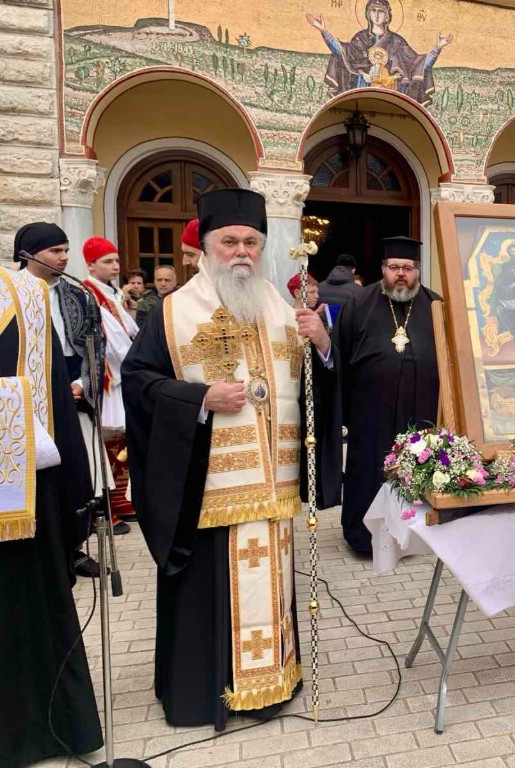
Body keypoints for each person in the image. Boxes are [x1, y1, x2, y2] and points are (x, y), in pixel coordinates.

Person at [122, 188, 343, 729]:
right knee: (206, 593)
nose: (241, 251)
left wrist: (322, 346)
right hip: (207, 488)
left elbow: (313, 389)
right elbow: (139, 382)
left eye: (251, 242)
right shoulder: (174, 312)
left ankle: (270, 685)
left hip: (273, 487)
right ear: (207, 246)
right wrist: (200, 398)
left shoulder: (282, 308)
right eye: (230, 241)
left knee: (273, 590)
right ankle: (202, 693)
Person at [0, 265, 103, 767]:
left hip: (19, 489)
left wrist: (72, 497)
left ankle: (39, 731)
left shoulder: (25, 294)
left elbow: (54, 402)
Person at [16, 223, 122, 563]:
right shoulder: (10, 294)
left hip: (73, 388)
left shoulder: (79, 294)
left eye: (65, 250)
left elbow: (95, 345)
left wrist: (83, 383)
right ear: (28, 254)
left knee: (77, 472)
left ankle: (75, 549)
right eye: (55, 251)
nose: (63, 257)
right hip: (28, 394)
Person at [335, 235, 440, 555]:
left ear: (417, 271)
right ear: (383, 269)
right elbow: (339, 356)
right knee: (369, 472)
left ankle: (415, 538)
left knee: (417, 473)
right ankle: (364, 539)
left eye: (407, 267)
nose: (401, 274)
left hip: (422, 412)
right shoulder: (359, 304)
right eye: (394, 267)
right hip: (370, 413)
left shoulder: (436, 306)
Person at [82, 237, 139, 524]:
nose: (115, 266)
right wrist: (136, 360)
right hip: (108, 375)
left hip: (120, 375)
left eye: (116, 260)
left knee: (123, 435)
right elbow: (111, 338)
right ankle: (108, 502)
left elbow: (129, 328)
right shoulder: (87, 293)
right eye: (107, 261)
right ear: (91, 265)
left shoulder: (111, 292)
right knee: (109, 436)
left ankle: (120, 498)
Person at [306, 0, 453, 103]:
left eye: (381, 11)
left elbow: (418, 65)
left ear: (387, 15)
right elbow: (342, 53)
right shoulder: (360, 38)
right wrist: (324, 31)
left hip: (391, 98)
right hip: (361, 94)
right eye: (373, 11)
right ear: (368, 14)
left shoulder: (397, 42)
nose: (377, 15)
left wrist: (438, 47)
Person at [317, 252, 364, 324]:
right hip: (346, 330)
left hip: (320, 329)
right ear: (353, 270)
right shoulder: (359, 291)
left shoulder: (318, 287)